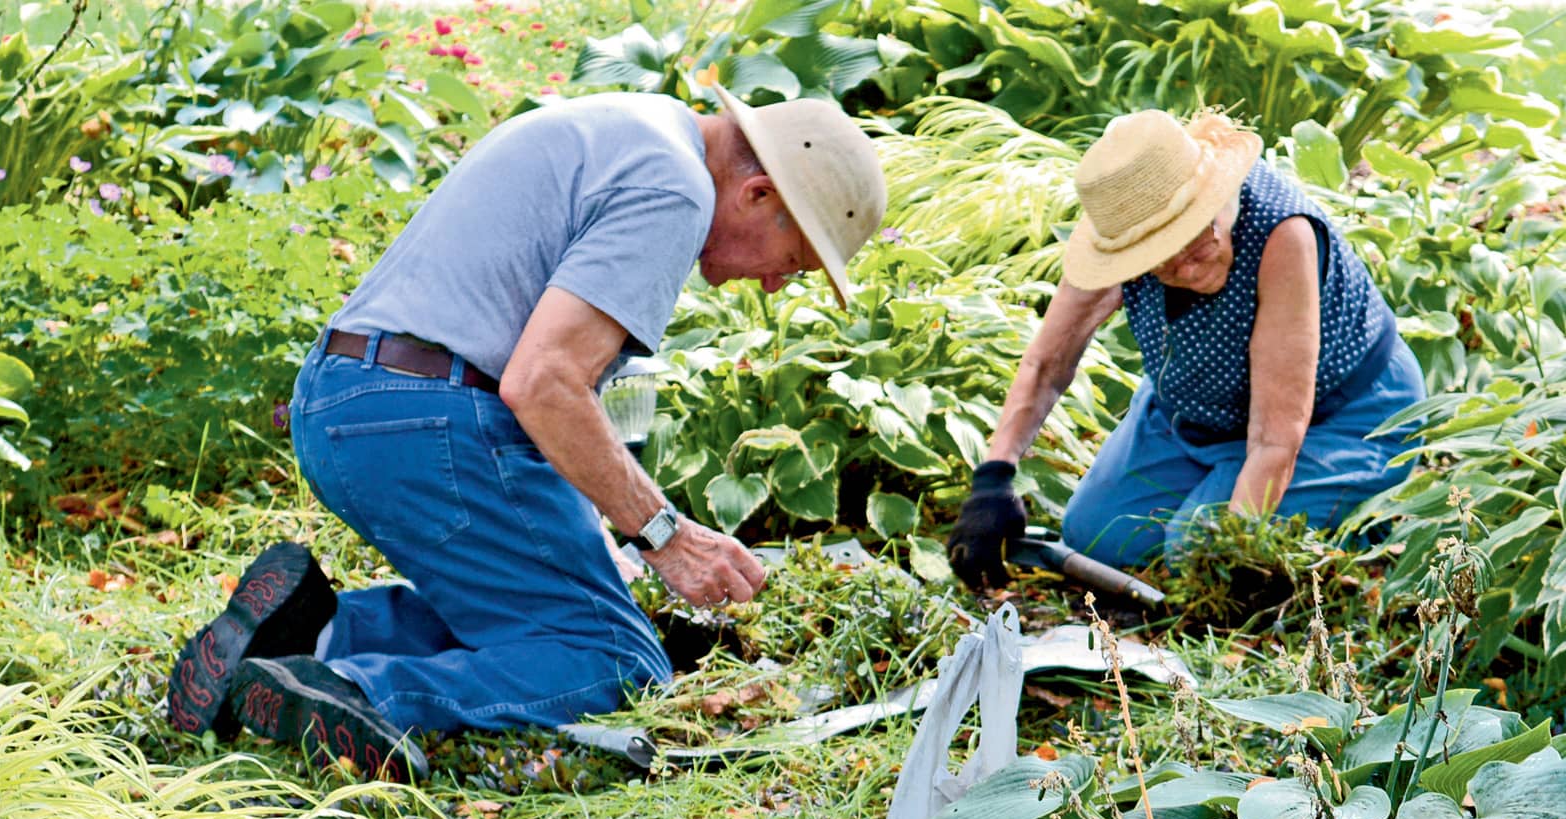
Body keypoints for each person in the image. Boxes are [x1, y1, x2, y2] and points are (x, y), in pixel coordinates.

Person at [166, 87, 886, 782]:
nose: (772, 287)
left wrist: (602, 546)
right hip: (429, 420)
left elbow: (545, 383)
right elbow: (542, 383)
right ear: (758, 194)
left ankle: (307, 629)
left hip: (344, 400)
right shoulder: (676, 190)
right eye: (793, 265)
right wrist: (664, 535)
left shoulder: (633, 127)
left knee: (541, 615)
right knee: (612, 657)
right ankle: (353, 688)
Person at [947, 109, 1426, 589]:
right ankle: (1219, 488)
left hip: (1342, 418)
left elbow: (1277, 437)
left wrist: (1238, 550)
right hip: (1197, 413)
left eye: (1195, 236)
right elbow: (1046, 363)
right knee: (1096, 537)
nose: (1189, 266)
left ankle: (1360, 515)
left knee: (1198, 553)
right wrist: (993, 478)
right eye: (1162, 258)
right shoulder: (1118, 231)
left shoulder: (1283, 235)